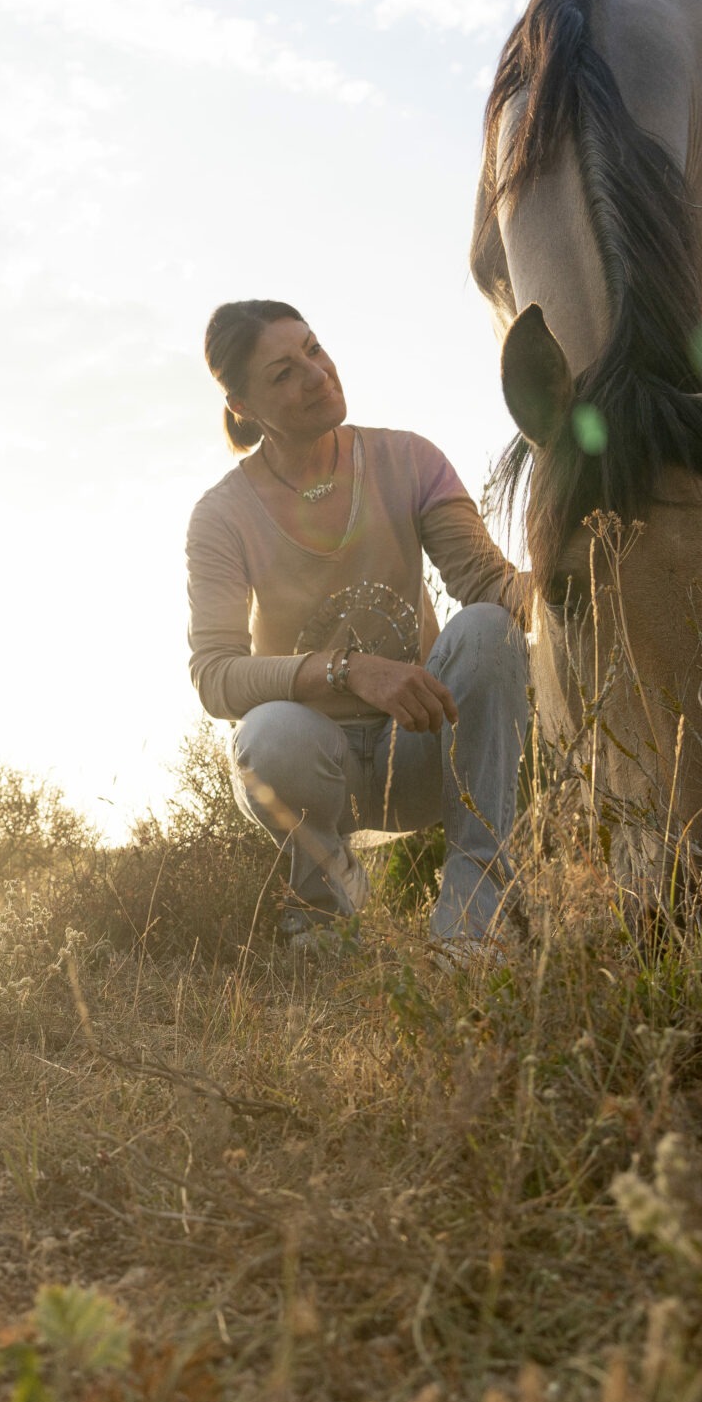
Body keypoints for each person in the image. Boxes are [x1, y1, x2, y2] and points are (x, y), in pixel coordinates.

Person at [185, 299, 532, 950]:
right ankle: (327, 905)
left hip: (424, 743)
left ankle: (475, 916)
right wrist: (347, 671)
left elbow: (490, 586)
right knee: (266, 733)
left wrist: (590, 567)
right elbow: (215, 675)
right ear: (243, 406)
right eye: (284, 372)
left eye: (314, 349)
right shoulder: (221, 517)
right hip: (314, 768)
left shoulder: (409, 460)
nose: (317, 375)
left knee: (488, 628)